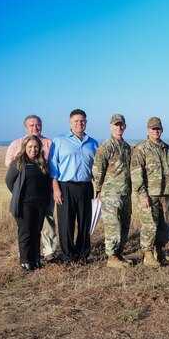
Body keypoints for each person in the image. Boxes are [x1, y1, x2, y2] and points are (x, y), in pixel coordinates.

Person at [49, 109, 98, 264]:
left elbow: (97, 168)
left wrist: (100, 188)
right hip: (66, 186)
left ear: (86, 122)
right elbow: (52, 166)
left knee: (85, 222)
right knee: (66, 223)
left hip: (86, 186)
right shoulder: (59, 140)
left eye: (82, 120)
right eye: (76, 121)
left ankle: (83, 255)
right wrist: (56, 188)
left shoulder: (93, 142)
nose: (79, 123)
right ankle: (68, 256)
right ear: (70, 122)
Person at [5, 115, 57, 261]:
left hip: (45, 192)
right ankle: (25, 255)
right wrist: (19, 192)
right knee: (26, 227)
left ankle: (49, 251)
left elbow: (53, 167)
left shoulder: (49, 144)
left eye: (38, 125)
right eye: (31, 125)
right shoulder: (16, 144)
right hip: (26, 195)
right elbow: (11, 171)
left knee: (47, 220)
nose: (35, 128)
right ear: (25, 127)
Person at [131, 116, 169, 267]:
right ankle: (148, 255)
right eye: (152, 128)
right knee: (149, 226)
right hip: (149, 194)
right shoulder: (141, 149)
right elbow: (137, 174)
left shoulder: (166, 148)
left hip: (166, 193)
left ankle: (159, 252)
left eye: (158, 128)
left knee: (164, 226)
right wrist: (142, 194)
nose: (155, 131)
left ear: (161, 130)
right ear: (147, 130)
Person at [93, 114, 133, 268]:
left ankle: (118, 254)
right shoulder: (105, 147)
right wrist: (98, 189)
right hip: (111, 193)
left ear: (125, 126)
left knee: (124, 225)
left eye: (121, 124)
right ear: (111, 126)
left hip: (125, 193)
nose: (119, 127)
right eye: (116, 125)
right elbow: (98, 170)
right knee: (113, 225)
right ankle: (111, 257)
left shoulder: (126, 147)